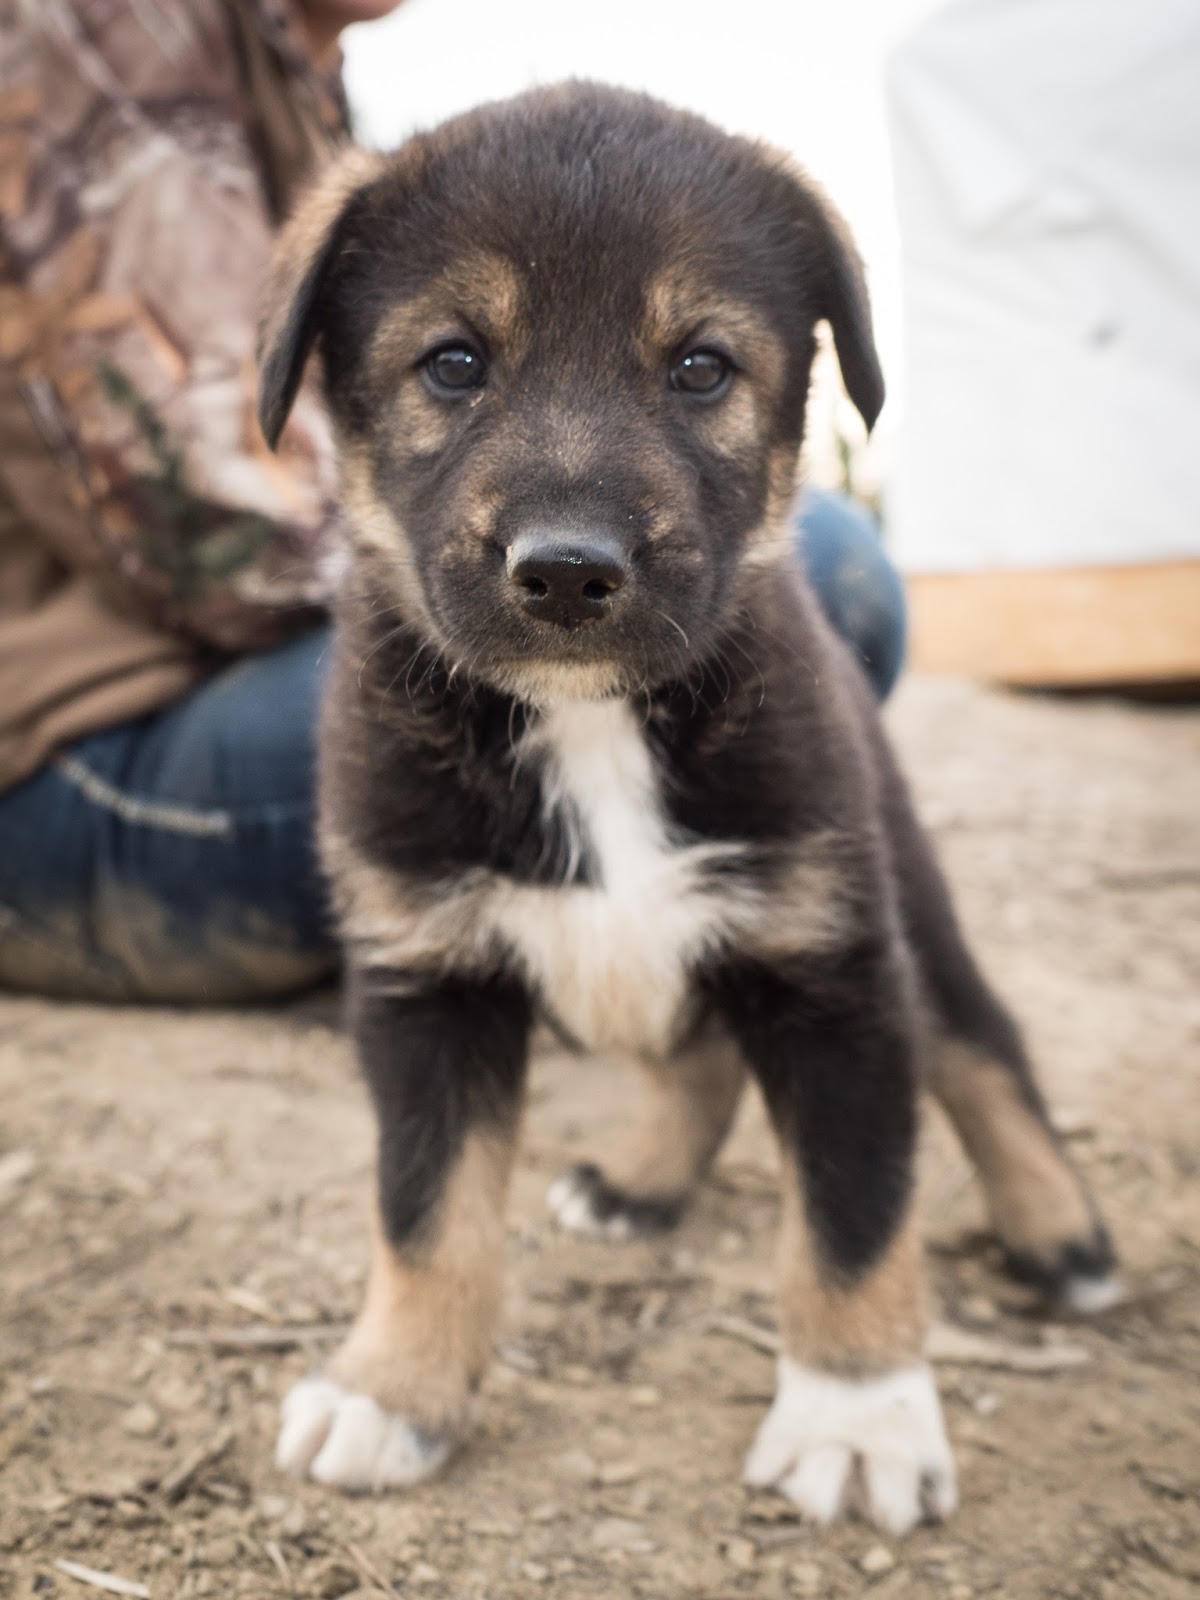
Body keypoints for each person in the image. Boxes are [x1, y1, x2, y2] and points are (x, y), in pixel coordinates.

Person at [0, 0, 906, 1004]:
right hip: (82, 761)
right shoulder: (107, 25)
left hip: (218, 682)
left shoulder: (291, 61)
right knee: (817, 579)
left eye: (700, 370)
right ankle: (532, 964)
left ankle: (621, 961)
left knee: (814, 582)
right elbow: (213, 535)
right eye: (457, 366)